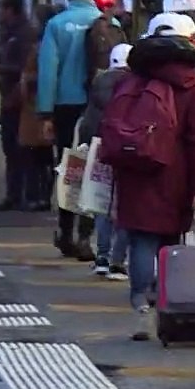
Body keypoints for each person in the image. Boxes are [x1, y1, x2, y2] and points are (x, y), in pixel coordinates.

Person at [105, 13, 195, 341]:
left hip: (134, 169)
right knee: (168, 242)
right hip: (174, 172)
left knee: (140, 238)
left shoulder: (132, 78)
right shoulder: (192, 83)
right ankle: (165, 305)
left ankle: (140, 303)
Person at [38, 0, 108, 260]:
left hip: (66, 107)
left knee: (70, 168)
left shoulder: (56, 25)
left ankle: (66, 233)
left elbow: (48, 71)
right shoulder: (109, 23)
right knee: (97, 170)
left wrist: (45, 113)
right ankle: (87, 237)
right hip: (101, 106)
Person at [79, 42, 134, 281]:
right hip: (123, 149)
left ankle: (101, 256)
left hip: (99, 147)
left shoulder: (98, 83)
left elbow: (89, 119)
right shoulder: (134, 85)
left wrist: (85, 144)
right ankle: (117, 260)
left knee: (102, 203)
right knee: (124, 205)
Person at [0, 0, 33, 212]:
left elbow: (24, 66)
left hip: (18, 99)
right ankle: (14, 194)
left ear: (10, 9)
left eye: (1, 9)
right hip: (10, 97)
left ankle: (17, 195)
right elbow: (7, 57)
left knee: (16, 148)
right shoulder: (12, 33)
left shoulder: (23, 34)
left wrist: (0, 69)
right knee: (11, 148)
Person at [18, 4, 62, 212]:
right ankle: (42, 195)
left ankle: (37, 196)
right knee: (44, 156)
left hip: (37, 106)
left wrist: (26, 81)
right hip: (48, 104)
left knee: (35, 155)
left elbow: (39, 76)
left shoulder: (41, 47)